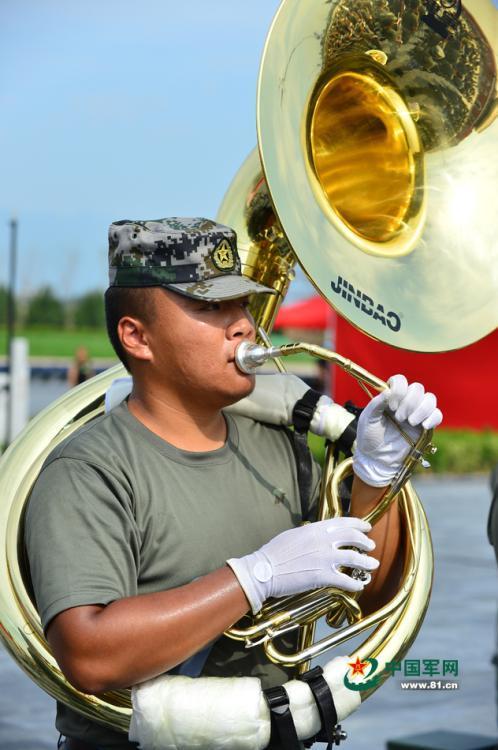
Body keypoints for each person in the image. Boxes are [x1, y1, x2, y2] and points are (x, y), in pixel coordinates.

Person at [24, 218, 442, 750]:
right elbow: (89, 654)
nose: (244, 326)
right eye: (209, 308)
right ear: (136, 336)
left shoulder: (276, 443)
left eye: (242, 305)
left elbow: (365, 597)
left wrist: (375, 479)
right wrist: (254, 577)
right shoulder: (88, 471)